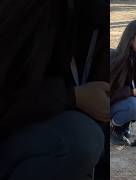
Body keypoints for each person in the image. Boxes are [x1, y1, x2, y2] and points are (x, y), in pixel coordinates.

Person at [0, 0, 108, 179]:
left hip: (49, 136)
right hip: (13, 135)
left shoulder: (98, 18)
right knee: (81, 138)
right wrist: (72, 97)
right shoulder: (21, 12)